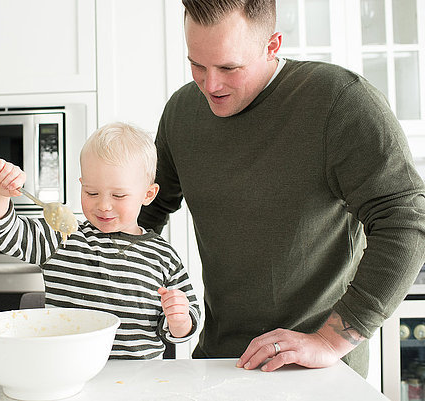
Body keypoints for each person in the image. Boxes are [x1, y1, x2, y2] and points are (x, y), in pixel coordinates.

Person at [137, 0, 425, 377]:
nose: (211, 85)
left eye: (229, 67)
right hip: (218, 364)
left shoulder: (339, 101)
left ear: (272, 45)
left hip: (315, 373)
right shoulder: (181, 113)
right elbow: (144, 210)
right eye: (197, 65)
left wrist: (331, 340)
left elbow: (406, 220)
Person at [0, 122, 201, 359]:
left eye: (118, 195)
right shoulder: (62, 237)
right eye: (91, 193)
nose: (103, 205)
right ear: (81, 186)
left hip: (138, 381)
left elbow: (186, 323)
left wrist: (180, 320)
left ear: (148, 194)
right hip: (66, 375)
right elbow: (0, 231)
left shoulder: (162, 256)